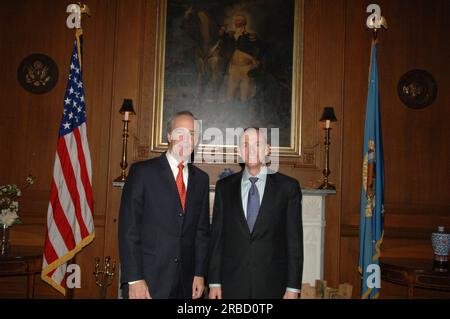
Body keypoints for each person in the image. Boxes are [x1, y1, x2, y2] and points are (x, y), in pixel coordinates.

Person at [119, 111, 210, 299]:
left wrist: (199, 274)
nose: (187, 139)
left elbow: (201, 232)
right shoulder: (142, 172)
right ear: (169, 136)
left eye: (192, 134)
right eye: (180, 132)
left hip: (186, 283)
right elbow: (129, 229)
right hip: (147, 282)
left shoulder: (201, 179)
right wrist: (134, 279)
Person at [208, 127, 303, 299]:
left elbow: (294, 242)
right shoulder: (224, 188)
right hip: (232, 286)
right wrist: (214, 282)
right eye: (245, 144)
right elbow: (217, 239)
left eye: (257, 144)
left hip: (274, 286)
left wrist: (293, 288)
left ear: (267, 149)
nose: (251, 149)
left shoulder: (288, 188)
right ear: (239, 151)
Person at [222, 14, 262, 102]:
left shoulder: (250, 35)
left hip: (246, 67)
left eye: (239, 20)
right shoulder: (230, 35)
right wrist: (222, 35)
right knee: (230, 93)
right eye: (235, 20)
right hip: (233, 67)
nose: (236, 22)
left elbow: (259, 48)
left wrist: (256, 61)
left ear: (244, 22)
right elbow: (224, 47)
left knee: (245, 94)